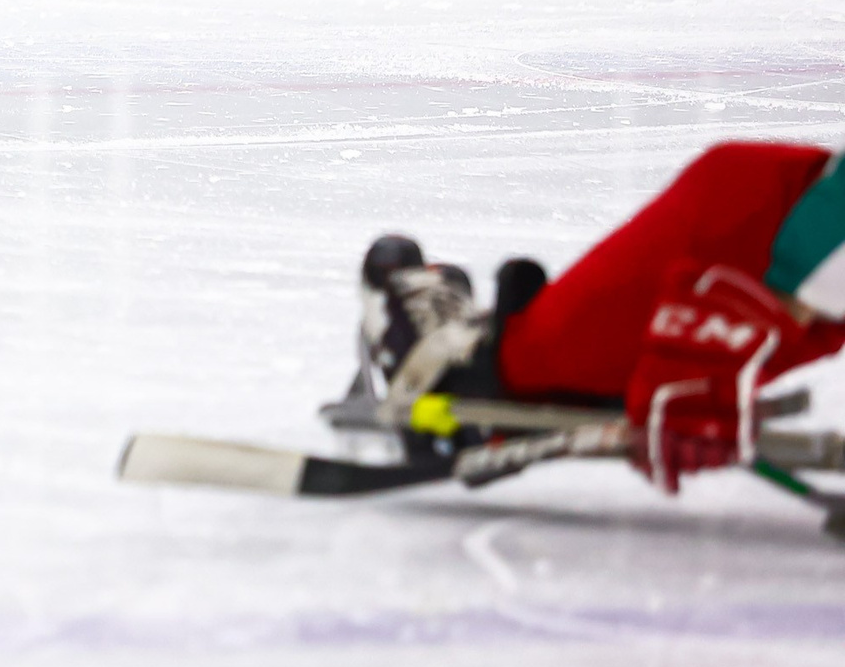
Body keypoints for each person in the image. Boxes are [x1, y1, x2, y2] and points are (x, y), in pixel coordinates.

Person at [356, 141, 845, 494]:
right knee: (529, 366)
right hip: (772, 232)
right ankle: (494, 365)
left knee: (551, 363)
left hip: (777, 223)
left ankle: (509, 362)